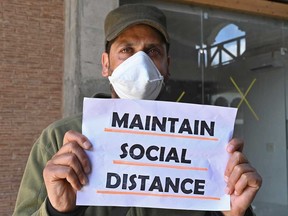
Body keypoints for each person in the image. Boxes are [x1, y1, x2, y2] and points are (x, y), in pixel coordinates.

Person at [13, 4, 262, 216]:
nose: (140, 62)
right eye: (126, 50)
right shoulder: (57, 140)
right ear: (105, 64)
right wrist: (56, 210)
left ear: (167, 66)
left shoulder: (202, 145)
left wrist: (235, 213)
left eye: (153, 51)